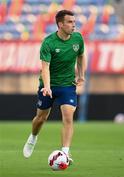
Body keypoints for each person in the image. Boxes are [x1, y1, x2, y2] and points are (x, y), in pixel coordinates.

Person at [23, 10, 87, 164]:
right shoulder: (48, 42)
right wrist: (47, 86)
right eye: (70, 22)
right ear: (60, 24)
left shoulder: (78, 38)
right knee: (41, 118)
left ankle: (65, 153)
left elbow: (81, 55)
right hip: (48, 85)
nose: (74, 25)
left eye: (74, 21)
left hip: (67, 85)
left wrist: (81, 75)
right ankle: (33, 137)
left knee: (68, 115)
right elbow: (45, 67)